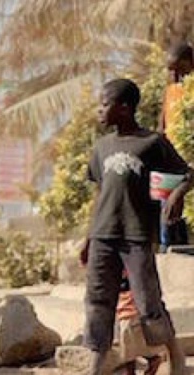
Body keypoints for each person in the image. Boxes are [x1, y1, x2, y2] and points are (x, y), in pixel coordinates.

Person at [82, 78, 192, 375]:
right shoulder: (102, 147)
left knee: (147, 301)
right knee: (97, 300)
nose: (99, 111)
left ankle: (173, 353)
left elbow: (187, 173)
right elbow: (99, 194)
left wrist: (177, 196)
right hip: (103, 234)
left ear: (125, 108)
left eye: (105, 105)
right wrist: (88, 238)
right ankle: (96, 362)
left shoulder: (151, 142)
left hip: (136, 235)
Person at [157, 41, 194, 253]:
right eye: (171, 70)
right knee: (168, 209)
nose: (176, 74)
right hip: (171, 158)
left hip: (189, 157)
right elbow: (162, 125)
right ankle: (169, 247)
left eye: (180, 69)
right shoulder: (170, 91)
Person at [115, 270, 164, 375]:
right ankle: (152, 361)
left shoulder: (127, 266)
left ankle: (153, 361)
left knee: (128, 352)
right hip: (126, 312)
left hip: (129, 312)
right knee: (129, 351)